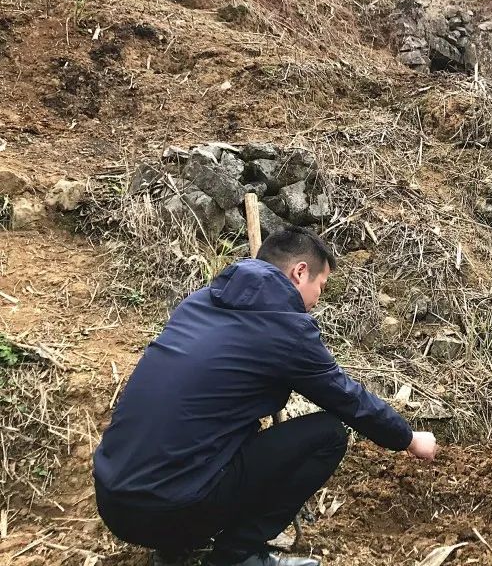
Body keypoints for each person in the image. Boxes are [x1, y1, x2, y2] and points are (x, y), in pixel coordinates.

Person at [93, 227, 437, 566]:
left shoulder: (199, 302)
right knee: (328, 435)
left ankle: (174, 549)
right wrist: (407, 438)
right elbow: (347, 398)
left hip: (113, 501)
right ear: (300, 272)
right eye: (321, 286)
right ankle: (236, 556)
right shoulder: (285, 328)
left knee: (219, 429)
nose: (317, 300)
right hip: (172, 510)